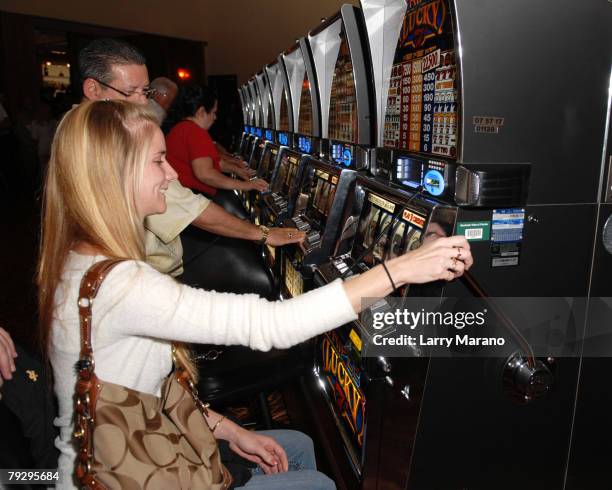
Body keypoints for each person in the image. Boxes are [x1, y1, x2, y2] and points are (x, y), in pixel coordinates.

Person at [39, 100, 472, 488]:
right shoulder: (121, 285)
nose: (172, 173)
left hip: (148, 446)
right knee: (318, 484)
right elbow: (271, 325)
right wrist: (399, 268)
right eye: (158, 162)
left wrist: (231, 431)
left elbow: (153, 389)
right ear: (114, 176)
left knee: (298, 445)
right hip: (129, 473)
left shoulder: (82, 261)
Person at [79, 38, 302, 277]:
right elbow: (192, 198)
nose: (144, 101)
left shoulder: (81, 134)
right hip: (141, 274)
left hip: (139, 268)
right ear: (93, 89)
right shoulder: (110, 144)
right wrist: (264, 232)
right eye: (131, 92)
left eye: (145, 91)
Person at [165, 83, 265, 197]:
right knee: (235, 212)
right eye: (213, 112)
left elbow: (214, 162)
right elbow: (205, 174)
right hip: (188, 195)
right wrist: (247, 185)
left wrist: (237, 170)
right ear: (201, 112)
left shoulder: (182, 127)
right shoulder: (194, 131)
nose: (215, 117)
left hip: (184, 192)